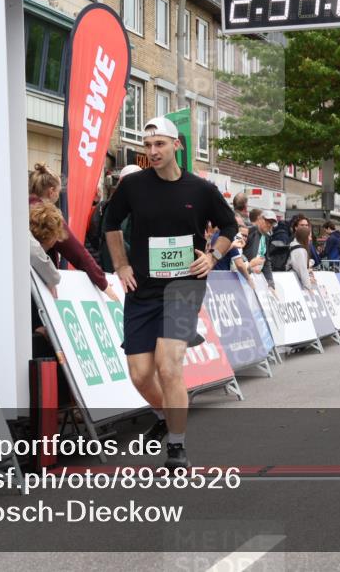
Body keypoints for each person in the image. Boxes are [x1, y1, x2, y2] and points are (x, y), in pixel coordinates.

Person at [103, 116, 238, 471]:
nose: (153, 151)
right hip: (143, 288)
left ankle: (177, 449)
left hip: (183, 287)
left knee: (168, 366)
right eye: (147, 146)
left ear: (176, 145)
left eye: (159, 144)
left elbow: (230, 225)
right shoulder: (133, 186)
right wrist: (121, 265)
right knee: (140, 374)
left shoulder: (201, 189)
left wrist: (214, 256)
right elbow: (110, 222)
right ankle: (165, 415)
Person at [29, 162, 118, 302]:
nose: (57, 197)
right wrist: (104, 284)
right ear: (51, 191)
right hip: (38, 282)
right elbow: (77, 252)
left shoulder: (18, 208)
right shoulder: (48, 216)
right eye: (58, 192)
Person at [244, 209, 277, 290]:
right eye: (267, 221)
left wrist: (270, 283)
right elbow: (237, 253)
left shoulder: (266, 237)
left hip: (256, 279)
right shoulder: (249, 232)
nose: (270, 225)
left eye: (272, 223)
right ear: (259, 219)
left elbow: (266, 261)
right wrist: (249, 265)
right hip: (243, 278)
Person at [289, 224, 315, 289]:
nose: (310, 239)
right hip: (295, 283)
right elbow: (302, 270)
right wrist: (308, 287)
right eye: (309, 236)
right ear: (304, 236)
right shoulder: (300, 250)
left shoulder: (294, 246)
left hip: (292, 279)